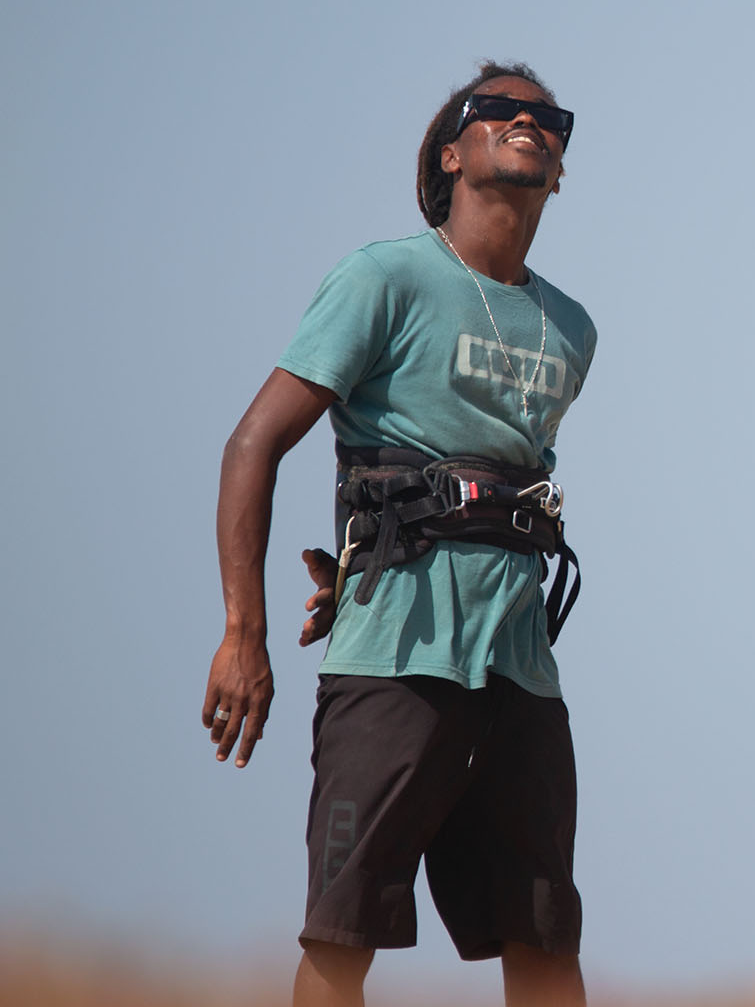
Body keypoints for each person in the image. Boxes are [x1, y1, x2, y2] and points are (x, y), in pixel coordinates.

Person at [200, 61, 595, 1007]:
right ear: (451, 152)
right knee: (341, 937)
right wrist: (243, 634)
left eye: (548, 117)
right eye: (496, 111)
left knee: (544, 942)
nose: (526, 122)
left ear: (563, 166)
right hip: (393, 653)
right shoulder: (385, 276)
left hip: (520, 667)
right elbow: (253, 444)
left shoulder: (572, 327)